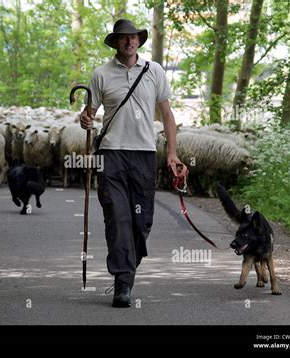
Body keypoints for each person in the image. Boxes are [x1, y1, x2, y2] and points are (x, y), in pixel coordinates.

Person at [80, 19, 189, 308]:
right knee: (117, 218)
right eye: (123, 38)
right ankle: (123, 283)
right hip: (111, 154)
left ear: (139, 41)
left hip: (144, 154)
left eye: (133, 38)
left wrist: (172, 152)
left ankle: (127, 265)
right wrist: (85, 119)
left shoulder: (154, 72)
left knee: (141, 222)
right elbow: (89, 114)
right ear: (115, 42)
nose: (129, 42)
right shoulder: (101, 74)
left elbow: (167, 115)